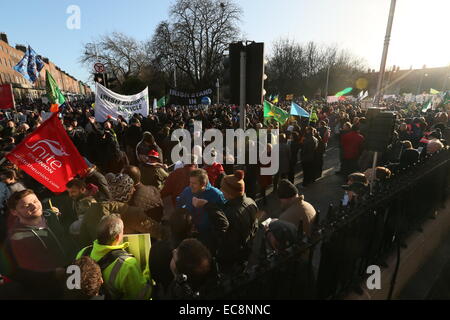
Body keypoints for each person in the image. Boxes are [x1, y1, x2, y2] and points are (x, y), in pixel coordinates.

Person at [76, 215, 152, 300]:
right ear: (118, 237)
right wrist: (148, 272)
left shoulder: (82, 253)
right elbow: (141, 295)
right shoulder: (128, 265)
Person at [4, 190, 77, 273]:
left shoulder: (51, 215)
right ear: (14, 212)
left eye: (35, 201)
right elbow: (20, 271)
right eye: (26, 205)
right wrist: (52, 274)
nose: (34, 206)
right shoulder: (16, 238)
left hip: (75, 264)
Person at [202, 170, 259, 270]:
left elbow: (228, 241)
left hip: (235, 258)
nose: (220, 190)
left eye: (223, 189)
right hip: (248, 248)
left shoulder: (231, 213)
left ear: (231, 193)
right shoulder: (251, 202)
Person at [176, 169, 226, 250]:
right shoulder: (187, 191)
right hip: (190, 234)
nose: (190, 185)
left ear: (203, 184)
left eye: (194, 183)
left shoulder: (216, 195)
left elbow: (223, 217)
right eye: (190, 182)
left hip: (208, 237)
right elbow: (179, 205)